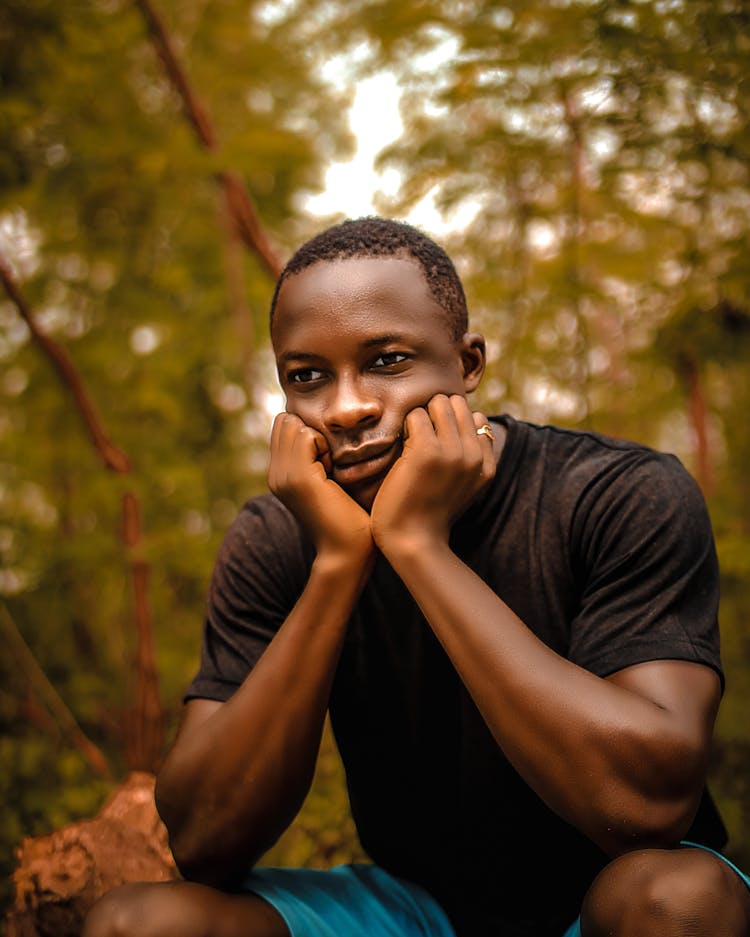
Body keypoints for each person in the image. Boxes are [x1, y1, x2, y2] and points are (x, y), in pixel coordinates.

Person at [84, 217, 750, 937]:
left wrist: (419, 547)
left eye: (388, 361)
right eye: (307, 377)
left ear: (467, 366)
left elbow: (645, 807)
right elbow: (203, 841)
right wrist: (339, 563)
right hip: (410, 911)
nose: (346, 407)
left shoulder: (616, 494)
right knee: (139, 924)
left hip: (606, 902)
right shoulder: (276, 538)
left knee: (680, 899)